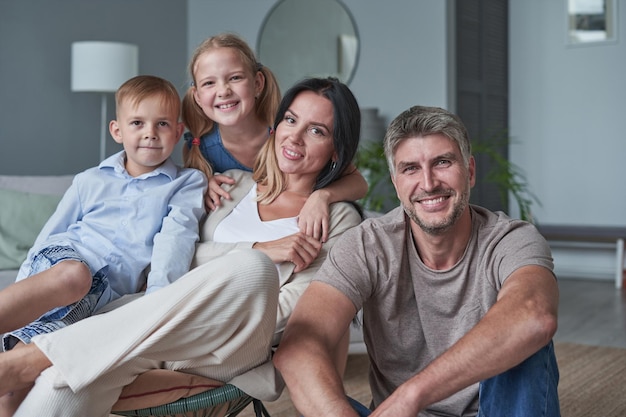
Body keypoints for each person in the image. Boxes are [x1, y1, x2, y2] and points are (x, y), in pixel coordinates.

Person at [0, 77, 364, 417]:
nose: (295, 137)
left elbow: (290, 311)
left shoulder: (339, 220)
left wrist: (255, 256)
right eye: (290, 120)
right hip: (144, 328)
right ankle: (34, 364)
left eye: (316, 131)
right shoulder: (231, 185)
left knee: (252, 270)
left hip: (229, 340)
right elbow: (178, 251)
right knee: (62, 381)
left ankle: (25, 359)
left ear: (336, 151)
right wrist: (261, 246)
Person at [274, 105, 561, 417]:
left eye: (442, 163)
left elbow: (534, 316)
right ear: (396, 184)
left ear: (471, 171)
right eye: (410, 168)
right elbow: (297, 349)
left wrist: (411, 395)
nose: (428, 183)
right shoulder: (368, 244)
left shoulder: (511, 239)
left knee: (526, 339)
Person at [0, 75, 208, 416]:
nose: (150, 133)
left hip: (100, 298)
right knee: (73, 276)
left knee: (19, 377)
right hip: (66, 260)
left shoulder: (185, 183)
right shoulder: (90, 180)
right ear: (117, 130)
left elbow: (176, 240)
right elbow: (52, 231)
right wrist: (26, 282)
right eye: (137, 123)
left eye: (162, 124)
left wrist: (155, 306)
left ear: (177, 131)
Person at [181, 32, 367, 242]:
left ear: (258, 83)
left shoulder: (280, 131)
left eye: (235, 78)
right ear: (197, 97)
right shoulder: (200, 148)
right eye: (209, 83)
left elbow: (359, 182)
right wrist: (205, 186)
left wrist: (322, 196)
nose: (223, 91)